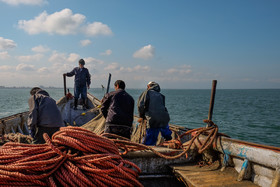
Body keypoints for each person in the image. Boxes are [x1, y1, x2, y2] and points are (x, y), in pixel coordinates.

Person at [137, 81, 172, 145]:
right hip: (164, 118)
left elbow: (140, 105)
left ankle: (148, 149)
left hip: (152, 119)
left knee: (150, 137)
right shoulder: (161, 96)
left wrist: (142, 116)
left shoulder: (146, 93)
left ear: (148, 86)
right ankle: (170, 140)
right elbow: (163, 107)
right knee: (167, 135)